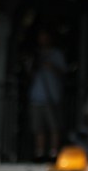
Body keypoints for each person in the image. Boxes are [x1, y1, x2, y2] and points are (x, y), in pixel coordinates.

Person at [27, 28, 66, 162]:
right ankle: (40, 153)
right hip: (36, 96)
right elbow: (29, 73)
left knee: (54, 125)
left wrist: (50, 65)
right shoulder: (35, 55)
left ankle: (54, 153)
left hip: (52, 96)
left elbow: (63, 72)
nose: (42, 40)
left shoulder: (56, 54)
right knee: (38, 127)